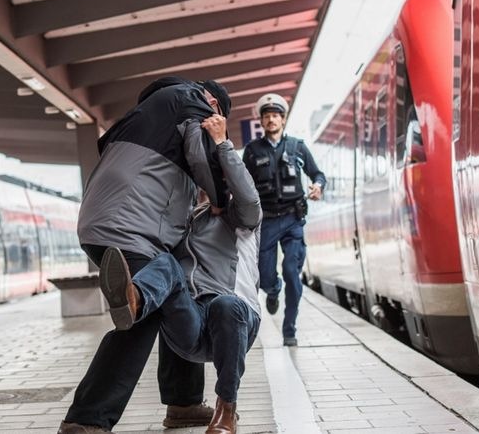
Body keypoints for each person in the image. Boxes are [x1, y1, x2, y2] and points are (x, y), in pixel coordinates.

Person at [59, 77, 232, 434]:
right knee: (140, 315)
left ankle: (184, 403)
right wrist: (219, 200)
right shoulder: (193, 100)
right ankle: (87, 418)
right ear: (215, 103)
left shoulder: (144, 115)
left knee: (175, 293)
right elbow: (204, 157)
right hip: (129, 229)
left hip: (102, 222)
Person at [97, 111, 261, 434]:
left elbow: (249, 197)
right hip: (191, 327)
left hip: (235, 320)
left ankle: (226, 409)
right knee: (167, 265)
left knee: (225, 305)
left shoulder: (241, 219)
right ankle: (135, 300)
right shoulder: (181, 224)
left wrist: (222, 143)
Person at [242, 93, 326, 347]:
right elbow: (242, 180)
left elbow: (318, 174)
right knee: (265, 277)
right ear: (261, 121)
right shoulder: (252, 151)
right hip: (266, 222)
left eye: (275, 116)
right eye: (266, 116)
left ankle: (289, 329)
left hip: (293, 219)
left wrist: (318, 186)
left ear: (283, 119)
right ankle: (273, 290)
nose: (270, 120)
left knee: (292, 270)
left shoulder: (298, 147)